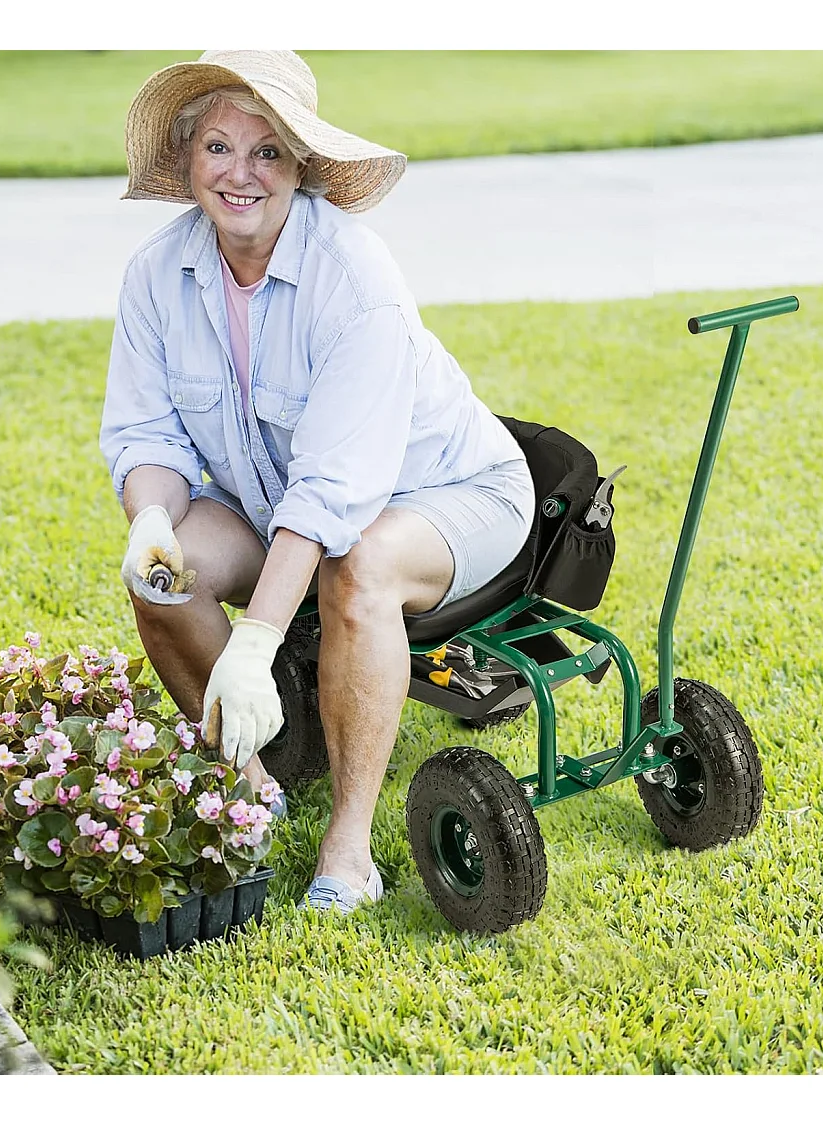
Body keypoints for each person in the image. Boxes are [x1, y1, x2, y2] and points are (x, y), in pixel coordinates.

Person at [100, 50, 535, 915]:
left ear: (301, 168)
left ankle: (348, 849)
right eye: (218, 146)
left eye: (267, 152)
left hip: (456, 493)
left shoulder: (355, 279)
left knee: (359, 567)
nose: (240, 173)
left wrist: (258, 640)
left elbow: (333, 496)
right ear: (187, 160)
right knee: (161, 572)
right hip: (280, 501)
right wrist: (150, 518)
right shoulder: (157, 274)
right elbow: (147, 432)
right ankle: (251, 790)